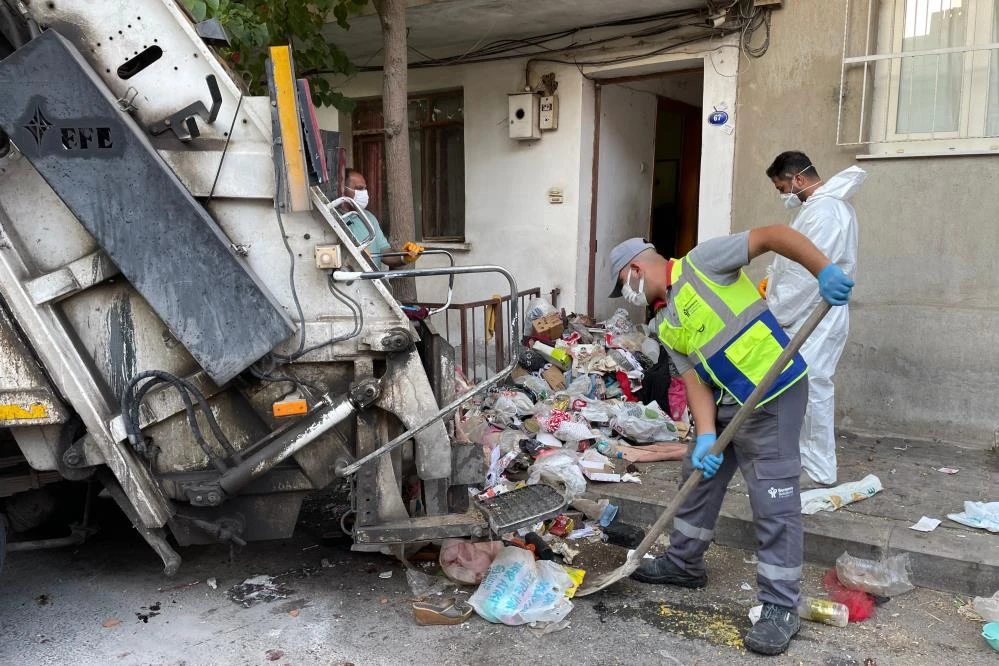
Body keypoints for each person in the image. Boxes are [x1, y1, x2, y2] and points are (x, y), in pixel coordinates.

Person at [607, 227, 853, 656]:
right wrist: (704, 435)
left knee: (773, 499)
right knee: (697, 480)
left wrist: (823, 270)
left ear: (634, 269)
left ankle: (780, 607)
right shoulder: (665, 321)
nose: (629, 294)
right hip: (724, 403)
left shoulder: (703, 262)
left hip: (772, 393)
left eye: (624, 285)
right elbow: (693, 378)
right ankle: (684, 564)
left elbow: (774, 235)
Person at [764, 152, 866, 486]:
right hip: (808, 312)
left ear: (798, 179)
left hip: (815, 313)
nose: (783, 195)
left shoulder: (826, 212)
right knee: (803, 388)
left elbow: (807, 276)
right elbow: (794, 263)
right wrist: (773, 282)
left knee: (812, 388)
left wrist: (776, 307)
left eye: (782, 187)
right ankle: (804, 461)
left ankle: (819, 470)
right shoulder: (819, 209)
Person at [340, 168, 422, 269]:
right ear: (343, 189)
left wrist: (404, 257)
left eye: (365, 189)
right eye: (359, 188)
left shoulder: (368, 217)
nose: (364, 193)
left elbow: (383, 252)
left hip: (373, 282)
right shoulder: (334, 218)